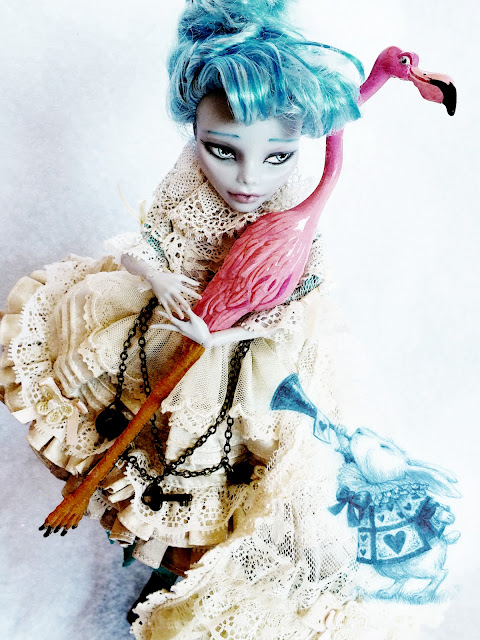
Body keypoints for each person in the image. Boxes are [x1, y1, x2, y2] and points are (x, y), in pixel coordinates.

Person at [0, 1, 453, 638]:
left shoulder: (294, 203)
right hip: (170, 329)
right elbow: (144, 246)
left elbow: (294, 296)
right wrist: (159, 277)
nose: (247, 179)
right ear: (195, 132)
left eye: (277, 156)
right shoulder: (188, 188)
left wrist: (231, 331)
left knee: (247, 468)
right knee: (151, 448)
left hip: (256, 352)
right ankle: (150, 554)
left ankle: (193, 574)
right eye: (222, 150)